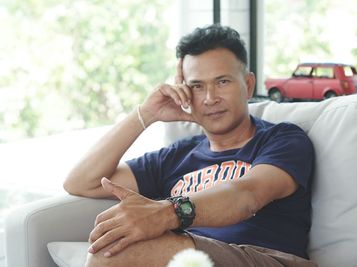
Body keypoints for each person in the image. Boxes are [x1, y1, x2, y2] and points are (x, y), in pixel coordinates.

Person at [64, 24, 317, 267]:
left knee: (114, 254)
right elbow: (82, 182)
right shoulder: (176, 156)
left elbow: (246, 195)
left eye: (222, 82)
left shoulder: (283, 139)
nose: (210, 98)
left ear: (248, 85)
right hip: (187, 257)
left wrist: (165, 213)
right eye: (197, 86)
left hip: (262, 257)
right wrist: (146, 114)